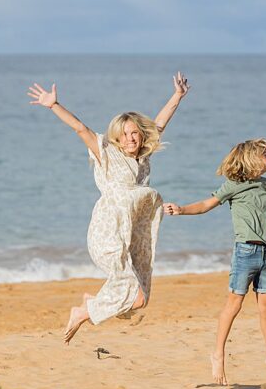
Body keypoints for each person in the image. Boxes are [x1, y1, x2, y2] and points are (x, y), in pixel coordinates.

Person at [27, 73, 189, 344]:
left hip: (132, 232)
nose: (130, 138)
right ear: (116, 136)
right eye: (124, 134)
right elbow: (80, 128)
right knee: (132, 294)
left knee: (141, 300)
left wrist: (178, 96)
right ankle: (83, 311)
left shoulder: (143, 155)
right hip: (109, 230)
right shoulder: (107, 152)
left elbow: (159, 124)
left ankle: (91, 303)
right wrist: (53, 105)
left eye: (134, 133)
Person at [163, 139, 266, 386]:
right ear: (253, 159)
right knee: (234, 305)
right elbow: (205, 205)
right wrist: (180, 209)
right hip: (245, 252)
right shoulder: (234, 185)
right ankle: (218, 353)